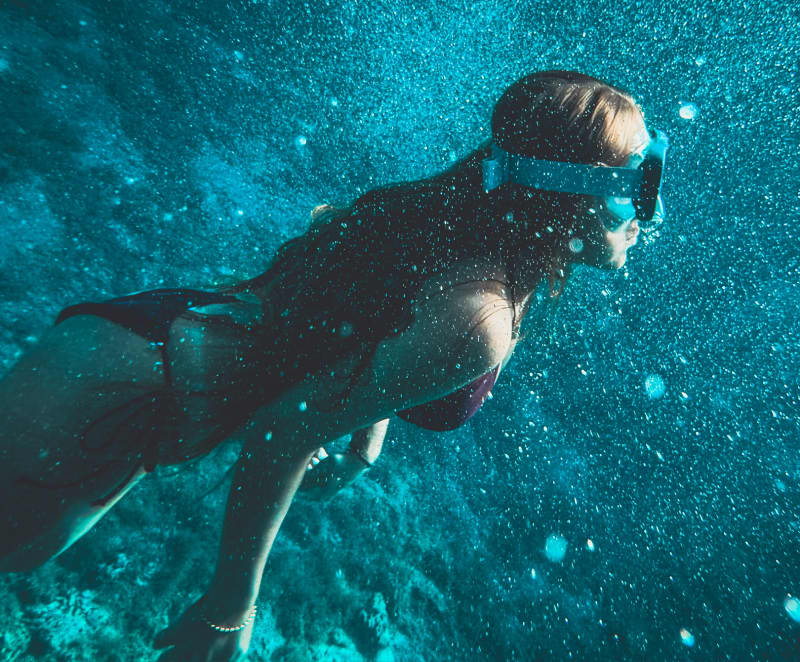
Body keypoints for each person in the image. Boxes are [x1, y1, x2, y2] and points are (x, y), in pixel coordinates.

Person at [0, 69, 666, 661]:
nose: (646, 212)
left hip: (136, 359)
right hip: (121, 394)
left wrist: (365, 432)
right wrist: (229, 609)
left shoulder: (459, 221)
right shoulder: (479, 320)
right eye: (633, 186)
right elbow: (278, 431)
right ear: (561, 195)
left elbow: (367, 317)